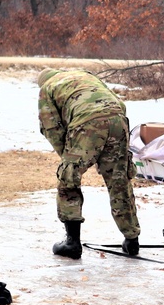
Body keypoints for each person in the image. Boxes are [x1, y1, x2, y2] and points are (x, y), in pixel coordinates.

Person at [38, 69, 141, 259]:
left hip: (87, 122)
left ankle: (72, 243)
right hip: (118, 117)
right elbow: (117, 103)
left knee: (68, 177)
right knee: (119, 178)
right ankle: (131, 239)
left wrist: (68, 158)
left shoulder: (47, 88)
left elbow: (51, 127)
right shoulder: (84, 75)